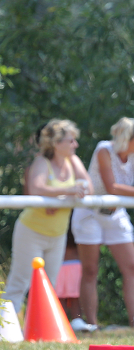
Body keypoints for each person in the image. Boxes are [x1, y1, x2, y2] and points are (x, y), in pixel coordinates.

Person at [71, 118, 134, 327]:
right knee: (90, 270)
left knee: (132, 267)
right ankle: (92, 324)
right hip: (90, 214)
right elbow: (112, 187)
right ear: (127, 139)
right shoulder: (104, 150)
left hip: (116, 215)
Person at [3, 120, 92, 314]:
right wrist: (69, 191)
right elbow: (37, 187)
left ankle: (37, 332)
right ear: (56, 143)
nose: (75, 145)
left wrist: (63, 195)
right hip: (31, 232)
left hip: (57, 234)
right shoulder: (42, 162)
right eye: (71, 141)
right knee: (19, 282)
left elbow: (89, 188)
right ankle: (5, 331)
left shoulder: (73, 161)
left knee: (48, 286)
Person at [55, 226, 97, 332]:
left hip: (58, 266)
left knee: (60, 300)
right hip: (75, 265)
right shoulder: (79, 229)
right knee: (75, 301)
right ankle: (78, 322)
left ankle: (59, 325)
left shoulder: (58, 229)